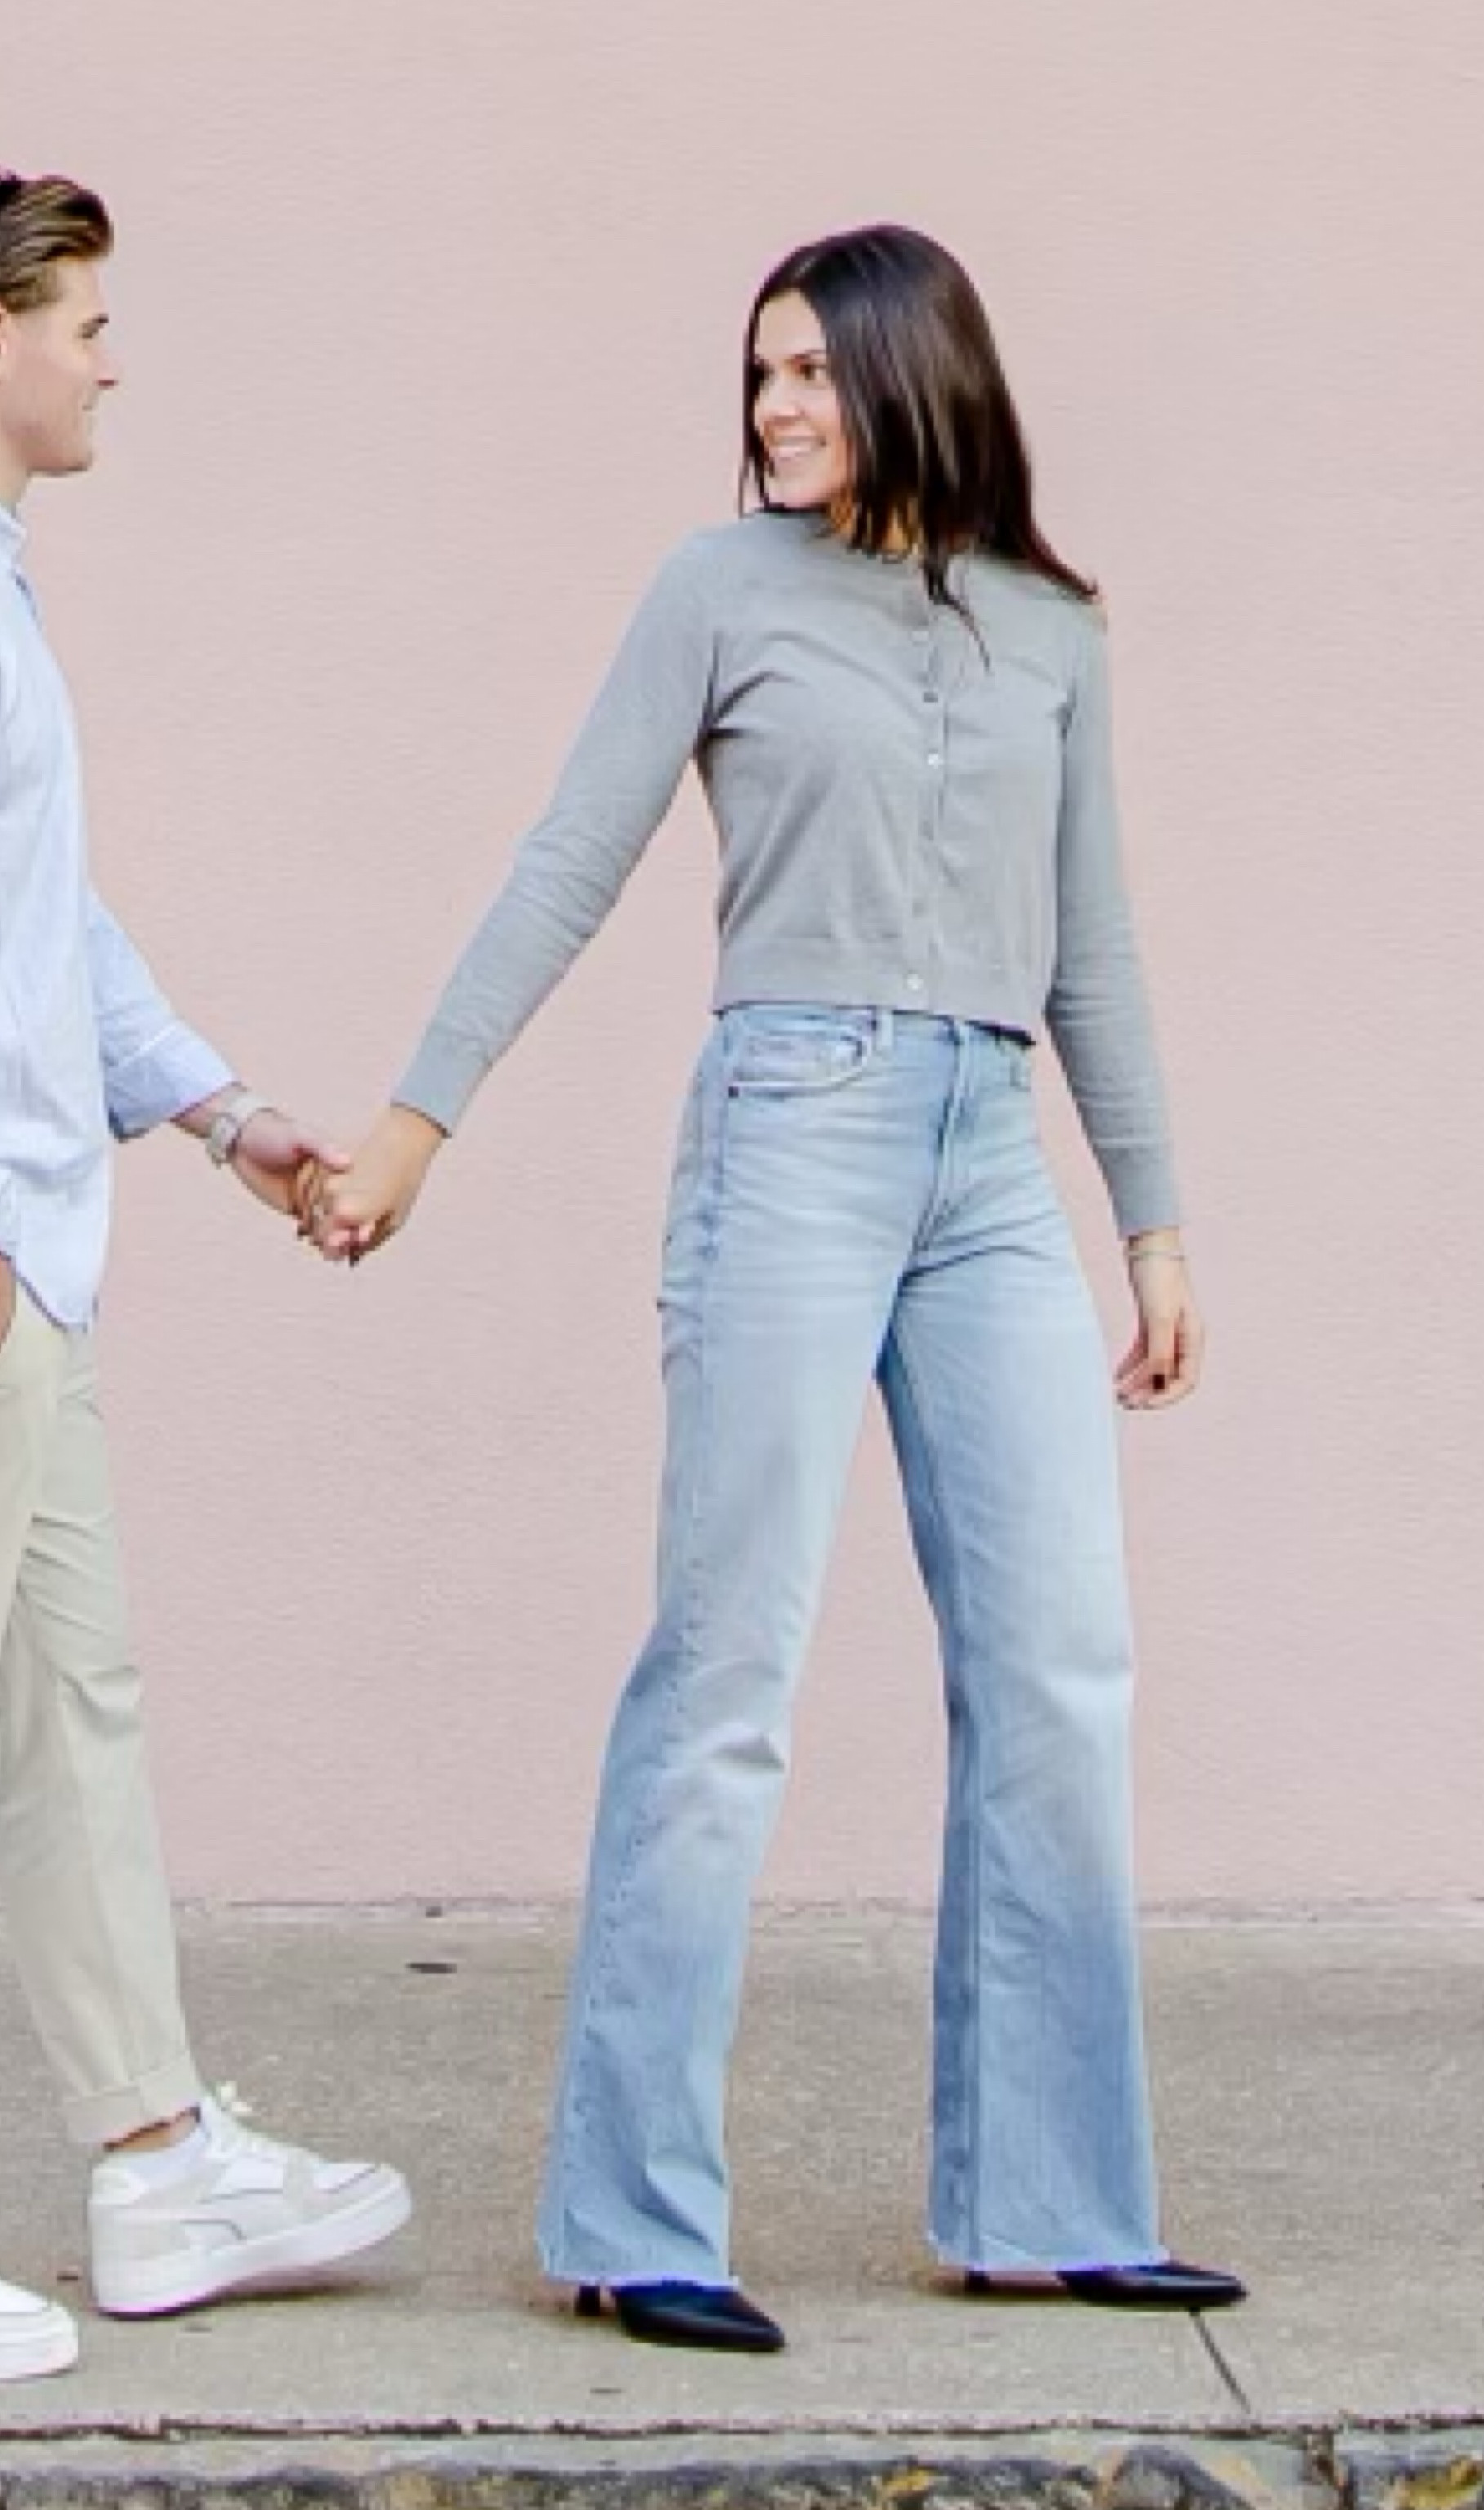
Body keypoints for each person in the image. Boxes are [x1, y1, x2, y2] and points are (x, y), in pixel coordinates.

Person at [308, 223, 1243, 2353]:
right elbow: (571, 854)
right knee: (727, 1668)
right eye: (759, 379)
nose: (775, 413)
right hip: (793, 1127)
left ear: (919, 374)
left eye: (812, 374)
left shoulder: (1050, 629)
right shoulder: (715, 594)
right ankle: (634, 2214)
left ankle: (1051, 2196)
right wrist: (413, 1129)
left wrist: (1157, 1223)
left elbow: (1092, 941)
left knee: (1064, 1663)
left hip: (991, 1157)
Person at [0, 169, 412, 2387]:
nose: (107, 356)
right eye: (77, 318)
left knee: (74, 1714)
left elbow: (49, 919)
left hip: (43, 1252)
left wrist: (226, 1115)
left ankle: (156, 2161)